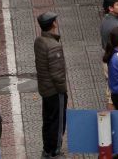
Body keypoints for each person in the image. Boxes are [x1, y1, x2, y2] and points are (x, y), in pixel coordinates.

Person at [34, 11, 68, 158]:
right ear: (53, 24)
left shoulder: (39, 41)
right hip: (55, 91)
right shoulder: (53, 46)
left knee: (48, 120)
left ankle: (47, 148)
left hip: (45, 89)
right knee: (58, 122)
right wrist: (63, 91)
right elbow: (57, 75)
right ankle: (54, 151)